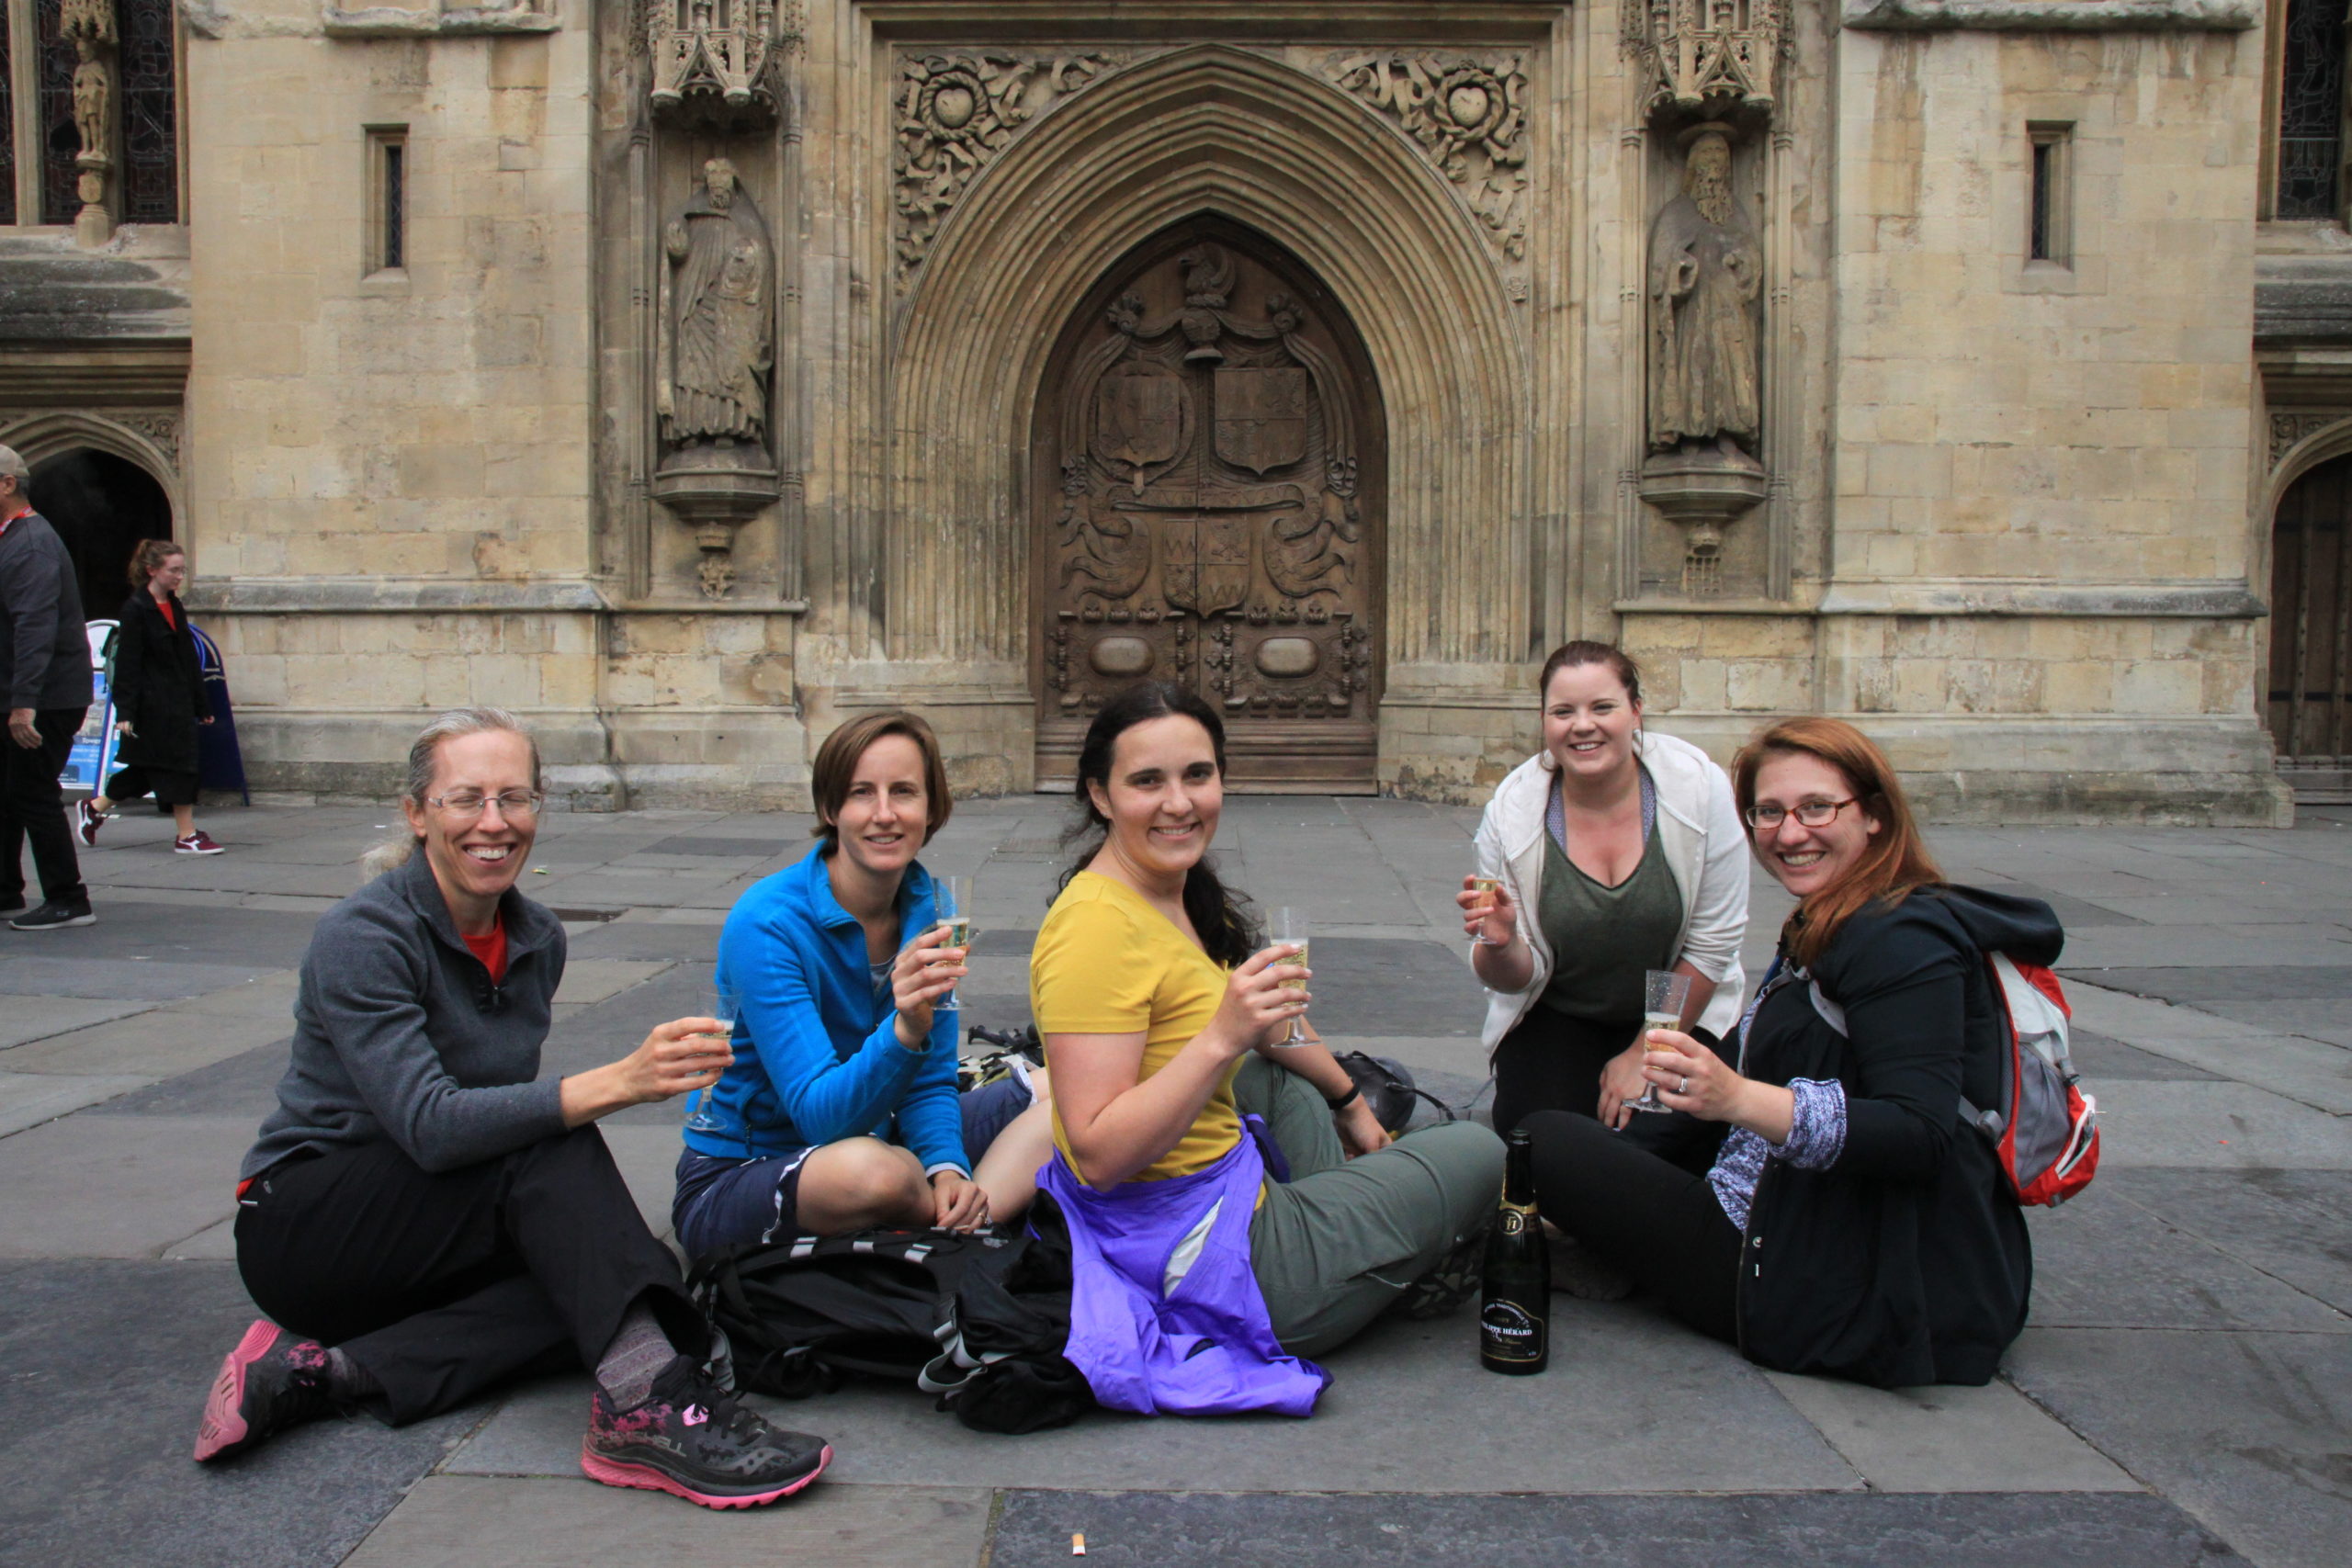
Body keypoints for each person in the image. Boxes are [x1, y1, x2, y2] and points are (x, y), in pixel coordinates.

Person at [194, 707, 831, 1508]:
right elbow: (433, 1125)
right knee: (557, 1148)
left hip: (429, 1225)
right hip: (307, 1226)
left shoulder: (536, 937)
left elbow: (489, 1128)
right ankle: (644, 1405)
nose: (494, 822)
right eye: (467, 798)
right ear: (418, 812)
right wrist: (622, 1081)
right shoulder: (364, 935)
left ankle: (322, 1373)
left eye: (515, 798)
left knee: (623, 1282)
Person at [1520, 717, 2050, 1387]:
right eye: (1769, 812)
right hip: (1799, 1208)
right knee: (1604, 1127)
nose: (1790, 833)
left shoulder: (1901, 941)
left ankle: (1612, 1250)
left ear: (1875, 814)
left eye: (1816, 808)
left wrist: (1737, 1098)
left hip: (1823, 1278)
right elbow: (1752, 1060)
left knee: (1540, 1139)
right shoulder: (1837, 914)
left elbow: (1920, 1131)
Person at [1032, 682, 1503, 1414]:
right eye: (1147, 781)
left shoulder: (1170, 890)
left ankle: (1350, 1241)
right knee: (1481, 1147)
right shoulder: (1094, 929)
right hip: (1203, 1268)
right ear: (1100, 794)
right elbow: (1096, 1154)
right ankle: (1344, 1268)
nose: (1179, 802)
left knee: (1283, 1080)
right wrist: (1221, 1036)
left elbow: (1267, 1024)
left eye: (1197, 774)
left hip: (1211, 1202)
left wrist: (1350, 1100)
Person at [672, 710, 1057, 1259]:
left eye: (903, 791)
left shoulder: (932, 909)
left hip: (881, 1129)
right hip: (749, 1172)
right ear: (831, 809)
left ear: (932, 807)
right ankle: (967, 1221)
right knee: (877, 1174)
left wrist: (946, 1165)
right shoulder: (768, 923)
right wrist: (906, 1029)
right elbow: (820, 1118)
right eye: (861, 793)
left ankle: (956, 1208)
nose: (884, 814)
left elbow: (930, 1079)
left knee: (1072, 1093)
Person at [1458, 641, 1747, 1137]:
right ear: (1544, 721)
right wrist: (1500, 944)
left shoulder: (1699, 787)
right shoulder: (1511, 813)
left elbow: (1711, 943)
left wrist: (1646, 1049)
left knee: (1662, 1139)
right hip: (1559, 1009)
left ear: (1635, 711)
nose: (1582, 725)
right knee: (1538, 1138)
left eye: (1602, 707)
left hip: (1679, 1007)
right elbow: (1513, 980)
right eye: (1563, 712)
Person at [0, 443, 96, 931]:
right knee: (9, 793)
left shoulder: (31, 544)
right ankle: (5, 890)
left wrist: (24, 705)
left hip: (46, 697)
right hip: (27, 692)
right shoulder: (12, 539)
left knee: (33, 792)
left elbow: (34, 627)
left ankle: (68, 898)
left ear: (7, 485)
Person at [77, 539, 223, 855]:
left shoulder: (174, 605)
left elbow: (187, 658)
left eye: (182, 570)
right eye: (174, 570)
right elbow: (128, 664)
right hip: (152, 705)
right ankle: (187, 834)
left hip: (178, 701)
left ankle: (94, 807)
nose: (179, 577)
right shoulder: (135, 610)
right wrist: (125, 713)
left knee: (149, 768)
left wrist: (202, 704)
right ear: (152, 570)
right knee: (180, 766)